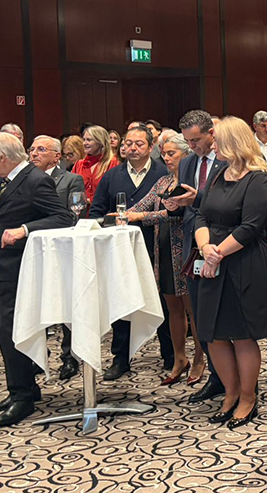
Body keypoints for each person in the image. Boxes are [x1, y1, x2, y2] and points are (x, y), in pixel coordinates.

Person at [0, 132, 74, 426]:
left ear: (2, 157)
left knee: (12, 332)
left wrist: (24, 229)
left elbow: (63, 217)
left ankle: (22, 397)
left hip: (13, 267)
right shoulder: (10, 178)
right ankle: (22, 388)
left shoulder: (35, 180)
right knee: (5, 332)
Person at [192, 117, 267, 429]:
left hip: (243, 261)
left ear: (234, 142)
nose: (213, 145)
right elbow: (201, 214)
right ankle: (230, 394)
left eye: (218, 140)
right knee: (213, 333)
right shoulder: (218, 173)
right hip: (212, 258)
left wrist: (218, 253)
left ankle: (248, 397)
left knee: (241, 334)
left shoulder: (258, 178)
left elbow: (251, 226)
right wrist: (205, 248)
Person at [124, 134, 206, 386]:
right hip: (165, 251)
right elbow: (143, 205)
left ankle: (200, 357)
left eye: (172, 153)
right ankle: (180, 358)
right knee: (173, 308)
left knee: (194, 310)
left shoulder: (194, 183)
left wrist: (141, 217)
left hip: (187, 251)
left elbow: (174, 212)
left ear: (186, 154)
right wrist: (124, 214)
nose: (167, 158)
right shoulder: (163, 181)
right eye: (165, 154)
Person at [89, 125, 168, 380]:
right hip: (120, 250)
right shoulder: (112, 176)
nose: (132, 148)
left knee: (162, 301)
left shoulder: (163, 172)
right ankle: (120, 358)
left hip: (156, 246)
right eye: (128, 144)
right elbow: (97, 211)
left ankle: (170, 354)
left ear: (151, 147)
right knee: (121, 302)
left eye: (139, 144)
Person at [170, 109, 228, 404]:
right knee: (201, 315)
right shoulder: (187, 162)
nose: (191, 146)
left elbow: (228, 200)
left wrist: (197, 198)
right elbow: (190, 205)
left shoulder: (228, 158)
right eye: (188, 141)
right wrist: (176, 204)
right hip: (194, 246)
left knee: (227, 317)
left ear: (211, 133)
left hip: (224, 245)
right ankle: (216, 377)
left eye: (195, 140)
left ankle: (238, 380)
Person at [28, 135, 86, 380]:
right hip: (33, 248)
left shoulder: (71, 179)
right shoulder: (25, 179)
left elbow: (75, 213)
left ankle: (69, 356)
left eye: (41, 149)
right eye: (32, 149)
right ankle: (37, 355)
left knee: (65, 303)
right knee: (36, 303)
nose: (34, 153)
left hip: (62, 248)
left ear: (57, 156)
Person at [72, 125, 118, 206]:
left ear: (100, 142)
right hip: (82, 211)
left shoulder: (113, 163)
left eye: (89, 140)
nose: (85, 143)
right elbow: (72, 190)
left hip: (104, 210)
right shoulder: (79, 164)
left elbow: (114, 192)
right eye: (84, 139)